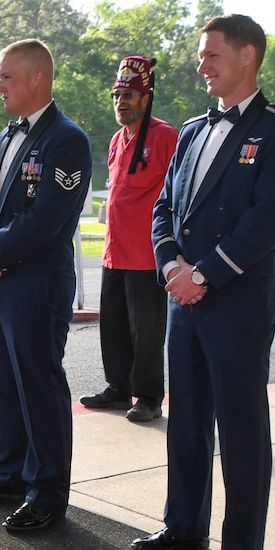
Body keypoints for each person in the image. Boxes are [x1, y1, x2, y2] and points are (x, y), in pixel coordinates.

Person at [131, 15, 275, 550]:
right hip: (184, 299)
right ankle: (184, 524)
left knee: (239, 427)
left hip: (235, 301)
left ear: (249, 55)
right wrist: (170, 264)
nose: (201, 65)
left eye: (212, 56)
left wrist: (203, 273)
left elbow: (265, 225)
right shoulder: (191, 131)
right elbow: (164, 209)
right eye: (201, 56)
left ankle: (241, 548)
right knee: (185, 419)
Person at [0, 39, 92, 532]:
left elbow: (47, 217)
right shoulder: (7, 135)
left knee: (38, 382)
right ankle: (9, 472)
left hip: (37, 281)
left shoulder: (66, 139)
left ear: (37, 78)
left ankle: (48, 492)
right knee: (5, 380)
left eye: (7, 77)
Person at [80, 56, 177, 423]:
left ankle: (149, 397)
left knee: (147, 331)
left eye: (130, 95)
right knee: (114, 326)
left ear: (146, 98)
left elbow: (179, 194)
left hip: (148, 255)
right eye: (118, 94)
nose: (122, 101)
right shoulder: (119, 140)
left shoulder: (165, 137)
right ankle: (119, 389)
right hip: (115, 251)